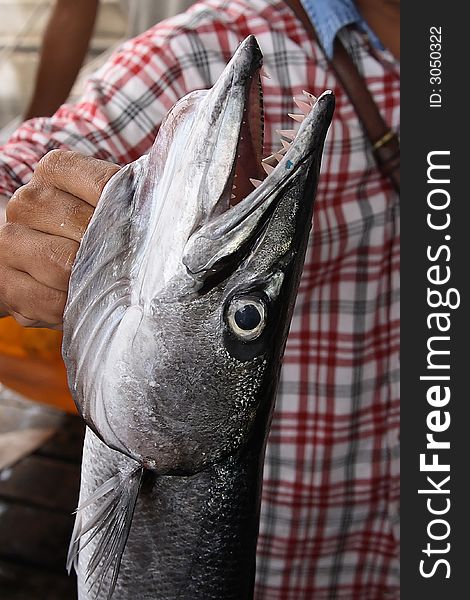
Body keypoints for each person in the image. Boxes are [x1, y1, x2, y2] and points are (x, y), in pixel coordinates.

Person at [0, 0, 400, 597]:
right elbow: (16, 174)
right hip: (275, 567)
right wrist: (17, 238)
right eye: (244, 316)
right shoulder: (205, 44)